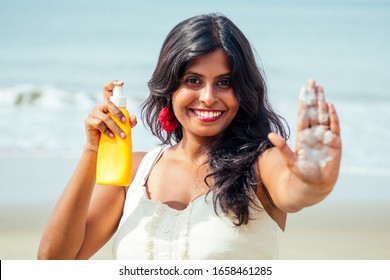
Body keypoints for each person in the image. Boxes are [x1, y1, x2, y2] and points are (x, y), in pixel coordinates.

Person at [38, 13, 341, 260]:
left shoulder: (262, 164)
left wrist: (313, 184)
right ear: (169, 88)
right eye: (193, 81)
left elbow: (295, 191)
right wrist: (93, 149)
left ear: (243, 92)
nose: (208, 97)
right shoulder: (134, 172)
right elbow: (55, 262)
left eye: (224, 82)